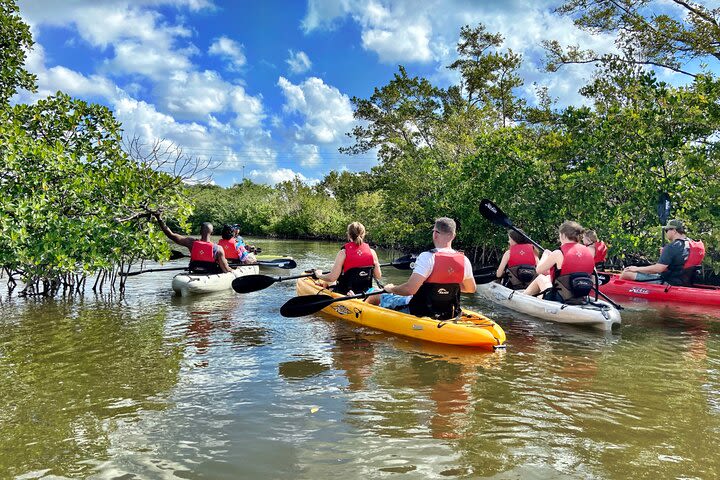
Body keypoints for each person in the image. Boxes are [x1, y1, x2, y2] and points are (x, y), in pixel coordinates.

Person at [367, 217, 476, 320]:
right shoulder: (464, 260)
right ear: (453, 235)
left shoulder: (427, 257)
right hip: (449, 312)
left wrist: (391, 288)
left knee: (378, 294)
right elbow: (471, 289)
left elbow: (410, 289)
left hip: (419, 311)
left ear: (435, 234)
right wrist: (445, 289)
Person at [523, 221, 595, 304]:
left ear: (563, 235)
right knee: (547, 278)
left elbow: (538, 270)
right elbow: (592, 278)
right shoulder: (588, 252)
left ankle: (521, 298)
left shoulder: (558, 253)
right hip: (581, 297)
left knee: (541, 278)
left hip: (560, 298)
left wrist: (545, 255)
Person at [620, 219, 705, 286]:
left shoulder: (672, 246)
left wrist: (636, 268)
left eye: (667, 230)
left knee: (626, 273)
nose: (666, 233)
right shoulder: (690, 243)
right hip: (685, 282)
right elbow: (679, 263)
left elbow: (658, 269)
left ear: (674, 231)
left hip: (670, 283)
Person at [313, 222, 381, 295]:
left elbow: (332, 278)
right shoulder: (372, 252)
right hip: (365, 292)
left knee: (329, 281)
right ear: (364, 234)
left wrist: (319, 275)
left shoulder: (343, 253)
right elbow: (378, 276)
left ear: (349, 235)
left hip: (345, 293)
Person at [154, 214, 233, 273]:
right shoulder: (218, 249)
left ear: (200, 231)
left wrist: (159, 218)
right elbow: (225, 269)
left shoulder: (191, 243)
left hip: (194, 271)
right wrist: (232, 271)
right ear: (212, 232)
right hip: (209, 273)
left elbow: (171, 235)